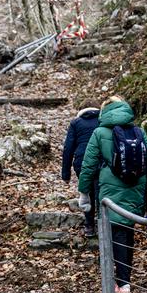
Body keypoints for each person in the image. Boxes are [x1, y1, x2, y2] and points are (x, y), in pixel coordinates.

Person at [78, 96, 147, 293]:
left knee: (116, 234)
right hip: (136, 189)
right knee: (127, 232)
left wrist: (84, 193)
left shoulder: (99, 133)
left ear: (104, 111)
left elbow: (88, 166)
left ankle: (121, 282)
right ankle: (124, 280)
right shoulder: (138, 131)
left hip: (110, 191)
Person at [61, 100, 101, 237]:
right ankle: (103, 225)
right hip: (101, 162)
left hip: (82, 163)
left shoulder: (76, 123)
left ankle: (89, 226)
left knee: (87, 192)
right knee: (101, 193)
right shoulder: (104, 121)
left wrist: (65, 174)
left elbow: (68, 148)